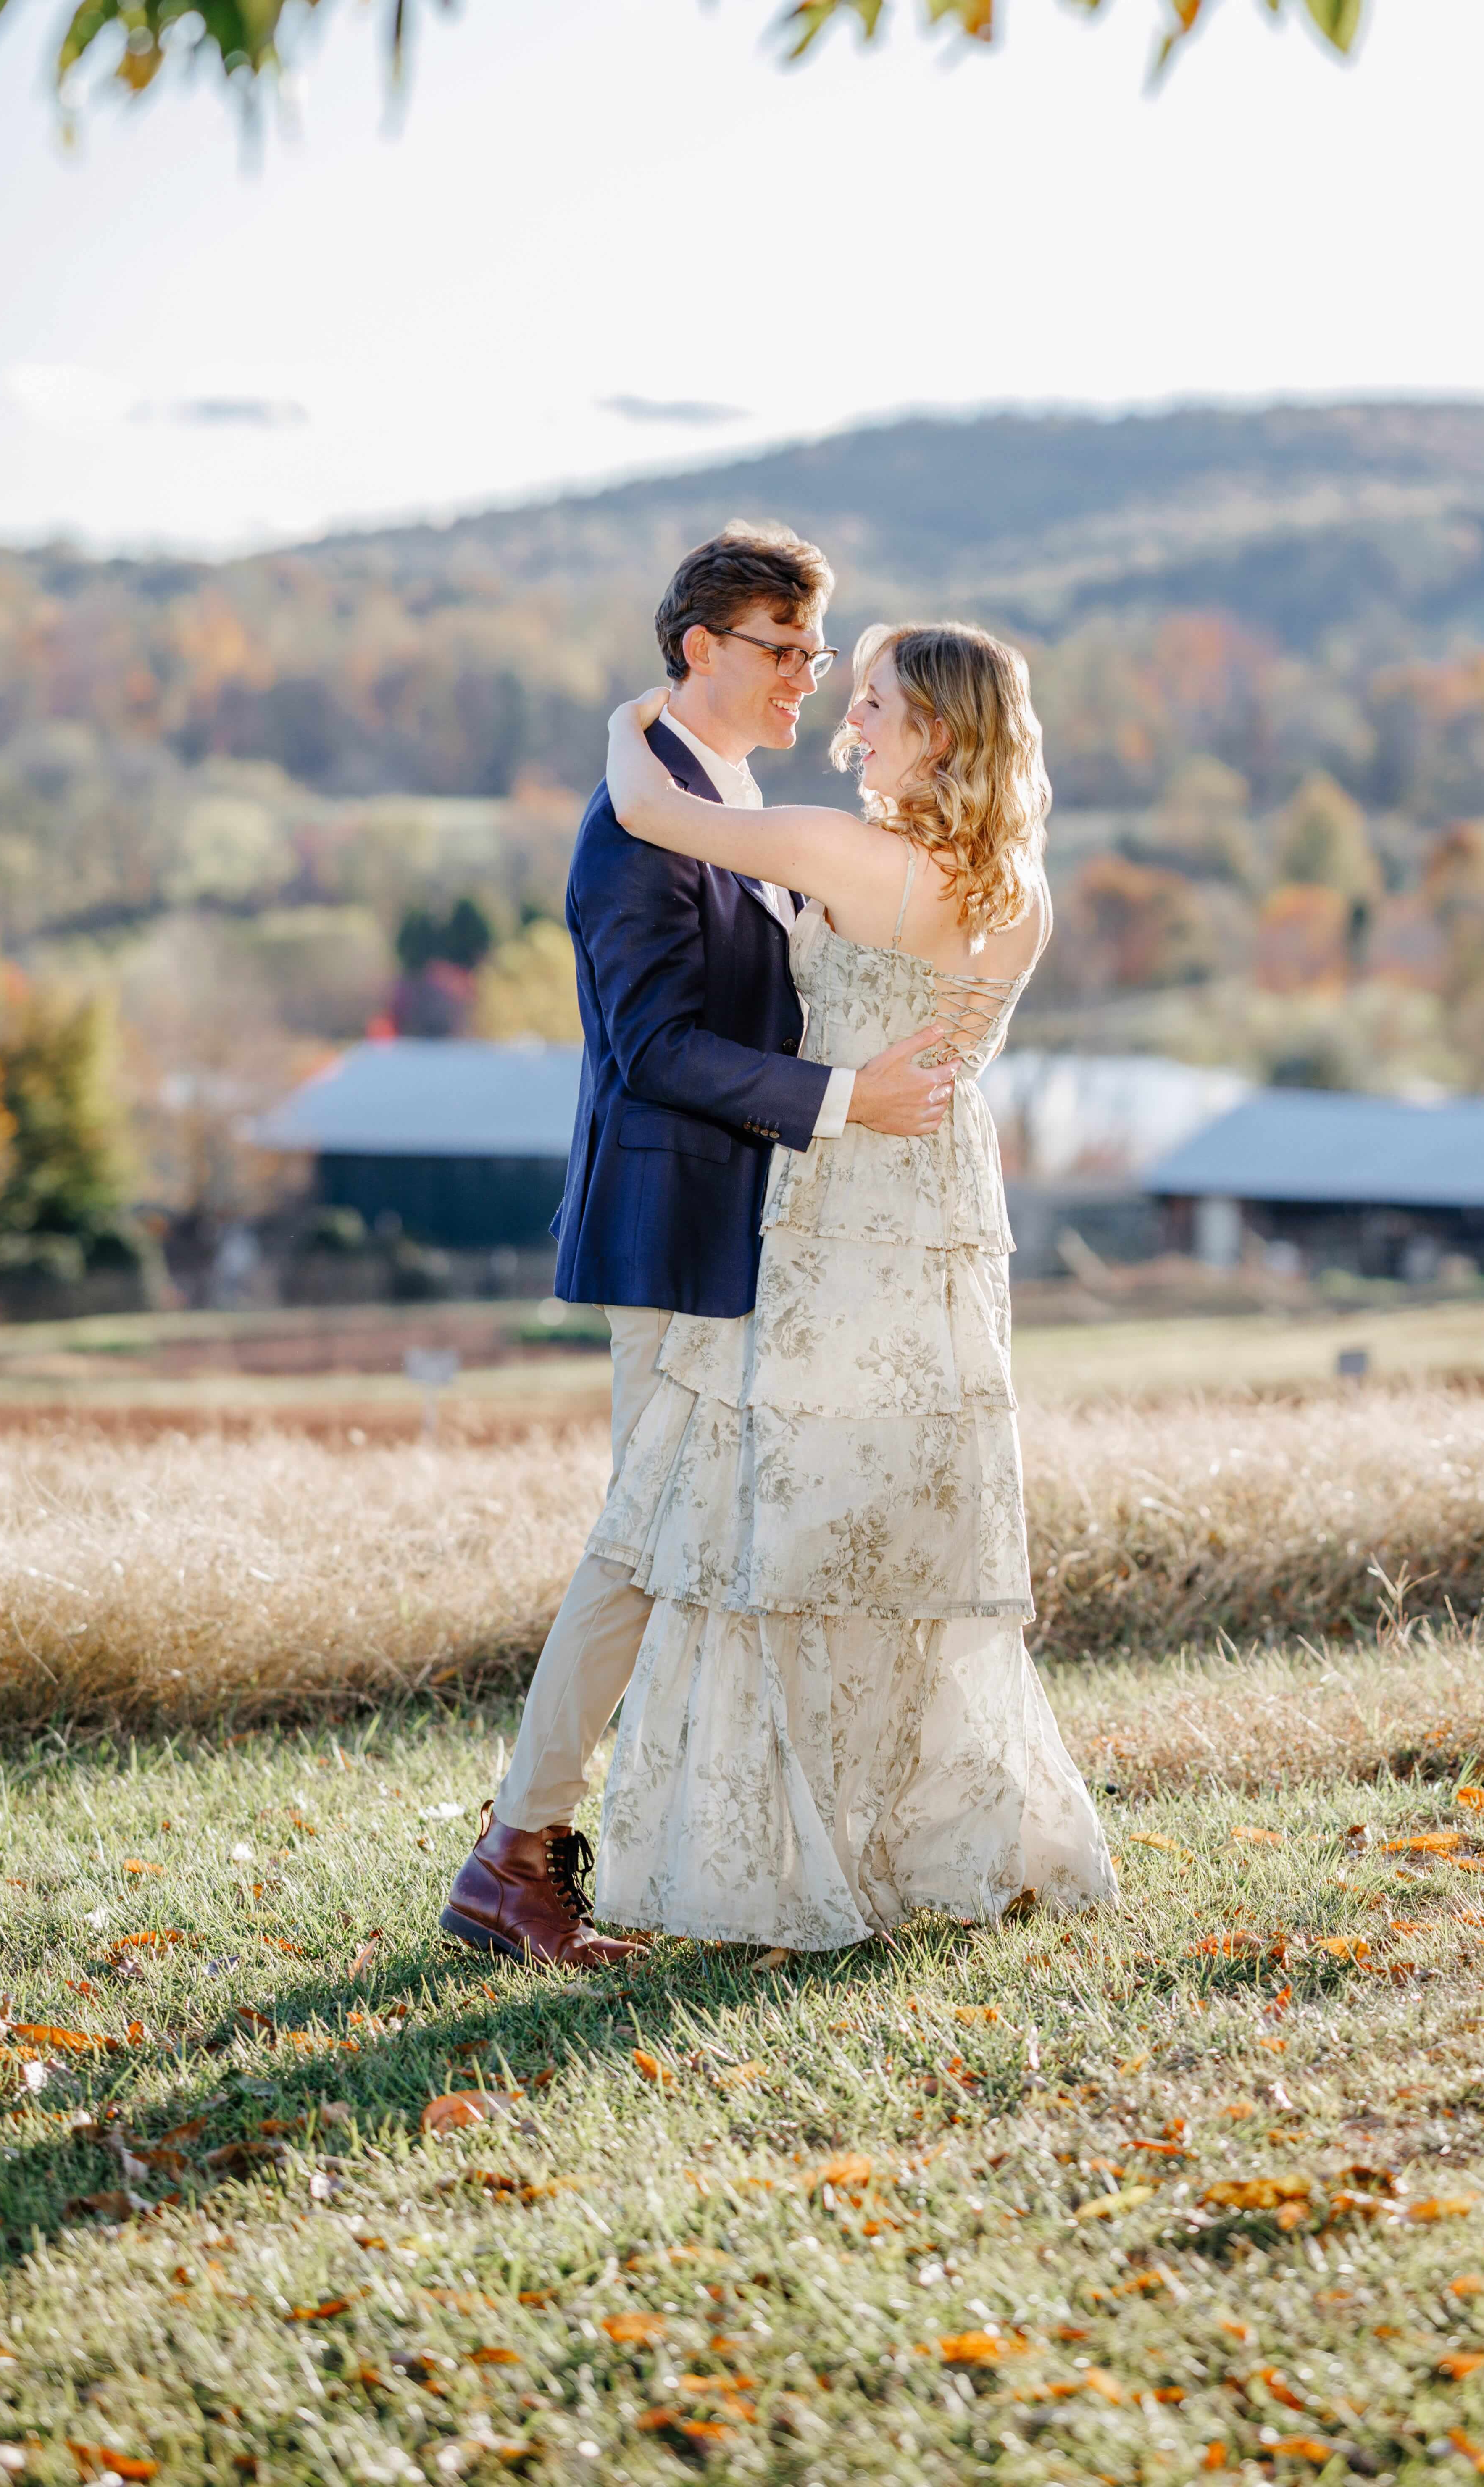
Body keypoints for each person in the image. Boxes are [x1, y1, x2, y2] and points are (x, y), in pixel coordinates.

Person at [442, 525, 955, 1971]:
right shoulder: (634, 828)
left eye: (815, 651)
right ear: (699, 651)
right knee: (642, 1548)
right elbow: (655, 1049)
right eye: (782, 649)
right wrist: (849, 1103)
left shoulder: (711, 790)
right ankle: (516, 1856)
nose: (807, 675)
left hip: (758, 1227)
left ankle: (683, 1838)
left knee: (692, 1542)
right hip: (670, 1230)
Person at [579, 616, 1117, 1953]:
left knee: (788, 1516)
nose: (849, 723)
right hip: (941, 1213)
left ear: (935, 729)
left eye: (873, 703)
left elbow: (650, 809)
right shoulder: (1026, 894)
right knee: (900, 1521)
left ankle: (796, 1850)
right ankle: (914, 1836)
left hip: (836, 1210)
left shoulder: (851, 856)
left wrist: (634, 716)